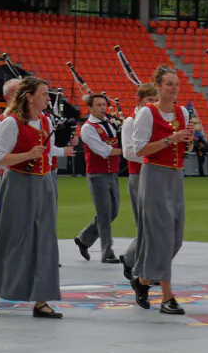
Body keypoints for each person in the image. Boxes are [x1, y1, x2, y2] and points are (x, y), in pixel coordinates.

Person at [0, 77, 64, 318]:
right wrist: (27, 155)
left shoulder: (47, 121)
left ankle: (41, 300)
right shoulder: (11, 123)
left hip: (43, 183)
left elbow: (47, 155)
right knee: (7, 237)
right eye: (44, 94)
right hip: (17, 184)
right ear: (29, 96)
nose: (48, 98)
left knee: (45, 240)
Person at [130, 67, 194, 315]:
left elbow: (182, 147)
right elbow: (139, 150)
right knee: (162, 236)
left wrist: (185, 141)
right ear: (158, 86)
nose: (174, 88)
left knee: (176, 236)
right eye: (168, 84)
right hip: (154, 174)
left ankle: (143, 280)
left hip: (175, 175)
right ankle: (167, 296)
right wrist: (171, 139)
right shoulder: (147, 113)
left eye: (176, 84)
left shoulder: (181, 112)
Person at [74, 93, 123, 264]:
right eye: (99, 105)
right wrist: (128, 151)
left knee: (113, 212)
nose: (103, 108)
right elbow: (103, 151)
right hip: (97, 174)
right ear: (90, 108)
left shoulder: (109, 124)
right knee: (104, 214)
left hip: (112, 173)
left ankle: (83, 239)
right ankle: (107, 252)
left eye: (104, 105)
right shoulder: (88, 128)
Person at [119, 83, 159, 279]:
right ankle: (138, 265)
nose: (153, 103)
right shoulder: (130, 121)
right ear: (140, 101)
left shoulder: (155, 120)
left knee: (154, 224)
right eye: (149, 100)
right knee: (144, 225)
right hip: (138, 174)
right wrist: (152, 155)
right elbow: (128, 152)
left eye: (155, 100)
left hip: (155, 174)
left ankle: (134, 261)